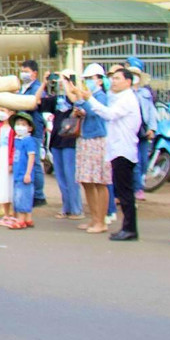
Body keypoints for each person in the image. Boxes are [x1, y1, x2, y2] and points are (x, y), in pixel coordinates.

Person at [77, 67, 141, 241]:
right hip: (116, 149)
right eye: (113, 78)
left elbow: (109, 114)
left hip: (123, 149)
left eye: (118, 78)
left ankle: (130, 228)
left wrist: (89, 98)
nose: (114, 81)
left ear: (128, 81)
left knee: (125, 192)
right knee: (122, 191)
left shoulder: (127, 98)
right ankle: (127, 227)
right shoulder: (118, 97)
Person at [67, 64, 111, 234]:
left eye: (90, 79)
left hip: (97, 139)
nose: (87, 82)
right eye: (85, 79)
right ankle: (94, 218)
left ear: (99, 80)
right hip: (84, 138)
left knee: (99, 181)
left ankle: (101, 220)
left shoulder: (101, 96)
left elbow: (95, 113)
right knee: (87, 181)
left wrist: (82, 100)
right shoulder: (88, 96)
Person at [39, 71, 83, 219]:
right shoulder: (56, 98)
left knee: (71, 176)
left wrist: (67, 83)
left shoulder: (77, 95)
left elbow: (76, 100)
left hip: (70, 140)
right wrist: (45, 83)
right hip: (57, 139)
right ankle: (66, 206)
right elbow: (39, 102)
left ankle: (76, 208)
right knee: (61, 176)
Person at [16, 60, 47, 206]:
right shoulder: (22, 87)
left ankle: (39, 195)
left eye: (26, 70)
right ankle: (30, 191)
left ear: (34, 73)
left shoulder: (37, 87)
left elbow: (35, 104)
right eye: (22, 70)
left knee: (34, 162)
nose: (23, 73)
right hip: (22, 129)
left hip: (33, 128)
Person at [126, 57, 157, 200]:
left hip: (143, 129)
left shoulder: (145, 93)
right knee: (135, 161)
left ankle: (138, 183)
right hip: (130, 129)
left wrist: (152, 128)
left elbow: (151, 111)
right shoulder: (125, 93)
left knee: (144, 160)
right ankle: (137, 188)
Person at [9, 113, 40, 230]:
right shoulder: (18, 140)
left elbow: (31, 157)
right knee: (19, 196)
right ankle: (28, 218)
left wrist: (28, 173)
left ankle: (21, 220)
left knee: (22, 197)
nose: (19, 127)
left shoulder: (29, 140)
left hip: (24, 174)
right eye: (18, 124)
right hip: (17, 173)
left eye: (23, 124)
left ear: (30, 128)